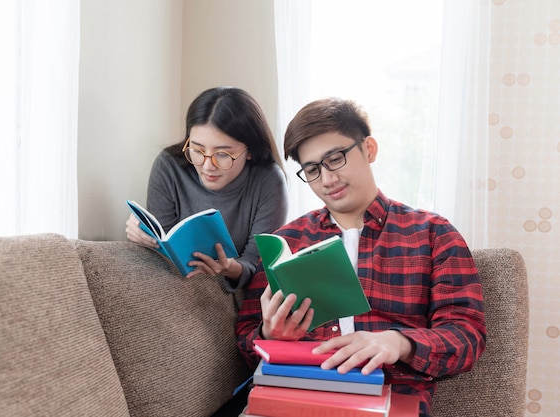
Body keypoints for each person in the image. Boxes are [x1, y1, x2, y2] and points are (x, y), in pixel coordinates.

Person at [235, 97, 486, 416]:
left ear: (369, 149)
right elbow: (245, 339)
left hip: (389, 400)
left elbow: (467, 335)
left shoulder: (433, 233)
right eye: (312, 170)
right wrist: (270, 335)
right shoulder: (286, 242)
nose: (327, 180)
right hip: (297, 398)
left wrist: (399, 343)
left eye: (335, 159)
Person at [126, 86, 288, 291]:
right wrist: (144, 236)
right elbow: (165, 245)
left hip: (234, 293)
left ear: (249, 152)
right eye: (197, 150)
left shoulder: (269, 180)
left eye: (222, 154)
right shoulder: (169, 166)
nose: (207, 165)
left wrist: (229, 268)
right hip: (174, 285)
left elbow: (258, 267)